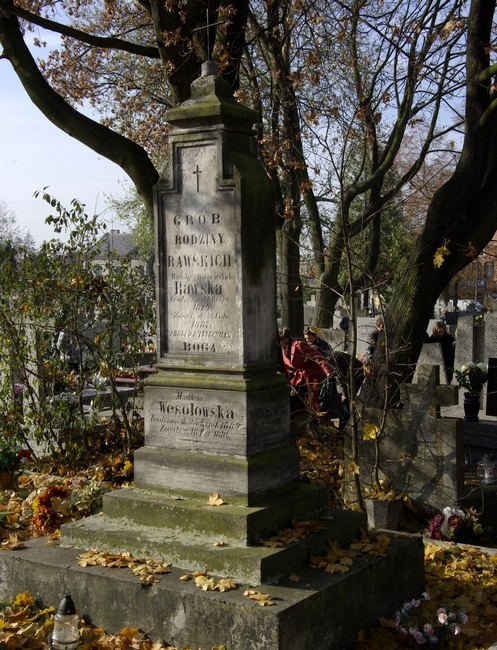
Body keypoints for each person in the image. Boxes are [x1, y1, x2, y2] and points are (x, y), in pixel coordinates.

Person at [279, 327, 333, 418]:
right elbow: (286, 364)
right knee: (297, 396)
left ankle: (321, 422)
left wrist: (327, 369)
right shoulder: (284, 350)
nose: (278, 343)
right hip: (300, 375)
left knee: (315, 400)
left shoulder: (299, 345)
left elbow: (317, 356)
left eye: (280, 341)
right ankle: (302, 419)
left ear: (285, 340)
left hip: (312, 374)